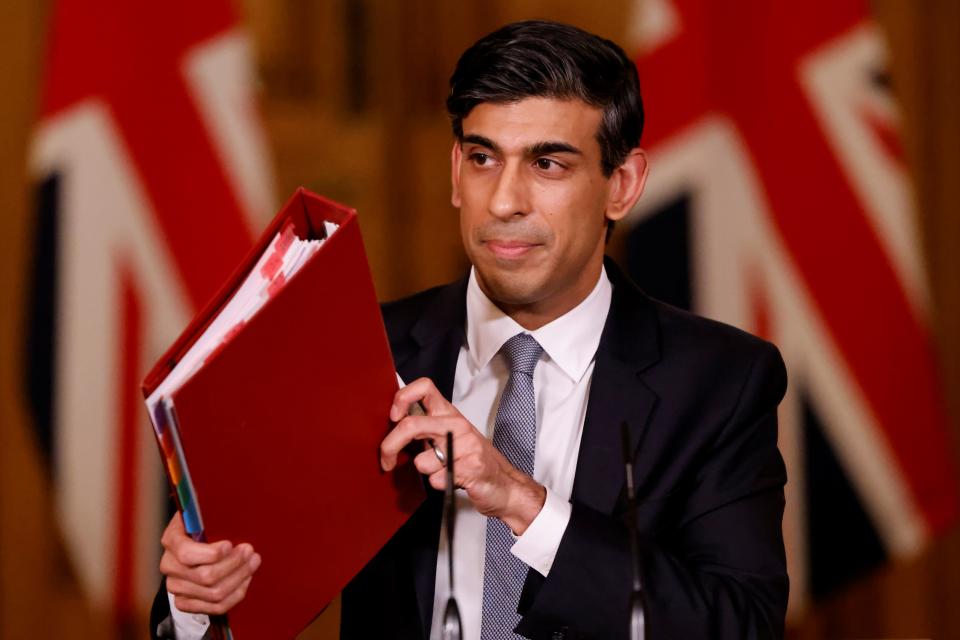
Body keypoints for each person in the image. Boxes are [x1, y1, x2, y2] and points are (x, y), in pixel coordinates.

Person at [151, 19, 788, 640]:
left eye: (548, 164)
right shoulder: (365, 349)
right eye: (484, 158)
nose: (505, 201)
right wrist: (198, 601)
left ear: (621, 184)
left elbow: (741, 622)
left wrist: (521, 503)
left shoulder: (721, 381)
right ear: (457, 171)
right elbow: (247, 598)